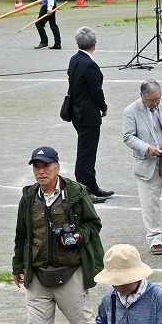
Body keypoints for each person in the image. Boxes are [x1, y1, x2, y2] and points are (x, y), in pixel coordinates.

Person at [12, 145, 108, 324]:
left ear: (57, 167)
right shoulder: (29, 196)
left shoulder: (76, 193)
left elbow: (93, 223)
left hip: (71, 272)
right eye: (36, 167)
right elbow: (21, 233)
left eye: (45, 166)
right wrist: (18, 266)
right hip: (37, 275)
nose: (40, 171)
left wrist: (78, 234)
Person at [121, 79, 162, 255]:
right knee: (150, 205)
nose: (155, 103)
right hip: (147, 164)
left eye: (158, 99)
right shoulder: (130, 111)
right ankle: (155, 240)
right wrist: (146, 148)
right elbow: (128, 137)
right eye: (151, 100)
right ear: (141, 96)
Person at [67, 26, 112, 200]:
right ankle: (84, 190)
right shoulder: (90, 65)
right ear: (94, 43)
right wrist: (103, 106)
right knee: (86, 153)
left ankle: (92, 186)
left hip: (77, 111)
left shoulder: (74, 59)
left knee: (87, 151)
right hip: (88, 114)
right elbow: (96, 90)